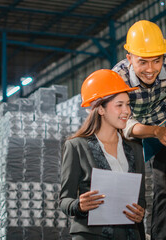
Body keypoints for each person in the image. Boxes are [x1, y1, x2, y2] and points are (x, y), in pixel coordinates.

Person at [112, 20, 166, 239]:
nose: (150, 69)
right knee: (131, 190)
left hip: (162, 125)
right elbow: (122, 122)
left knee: (165, 186)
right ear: (129, 59)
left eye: (156, 61)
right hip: (130, 130)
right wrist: (154, 131)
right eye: (142, 62)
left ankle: (160, 237)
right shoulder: (118, 77)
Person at [59, 69, 146, 240]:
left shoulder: (135, 148)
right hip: (91, 235)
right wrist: (79, 205)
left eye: (128, 104)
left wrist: (139, 211)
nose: (127, 111)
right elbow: (64, 200)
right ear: (100, 109)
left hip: (130, 234)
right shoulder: (76, 147)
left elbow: (140, 198)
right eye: (119, 105)